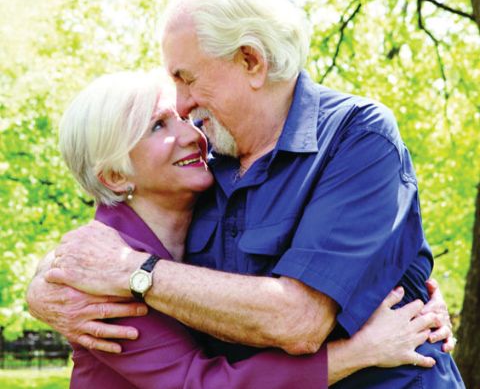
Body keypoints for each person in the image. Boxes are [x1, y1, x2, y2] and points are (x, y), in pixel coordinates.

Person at [28, 0, 464, 387]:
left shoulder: (357, 138)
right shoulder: (205, 163)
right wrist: (45, 288)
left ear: (251, 61)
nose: (182, 107)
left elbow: (299, 320)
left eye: (187, 79)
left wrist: (135, 274)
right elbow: (108, 235)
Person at [56, 69, 436, 388]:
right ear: (116, 177)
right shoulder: (101, 273)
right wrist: (357, 353)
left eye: (184, 118)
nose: (193, 135)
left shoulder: (215, 192)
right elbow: (197, 384)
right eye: (158, 126)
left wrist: (415, 293)